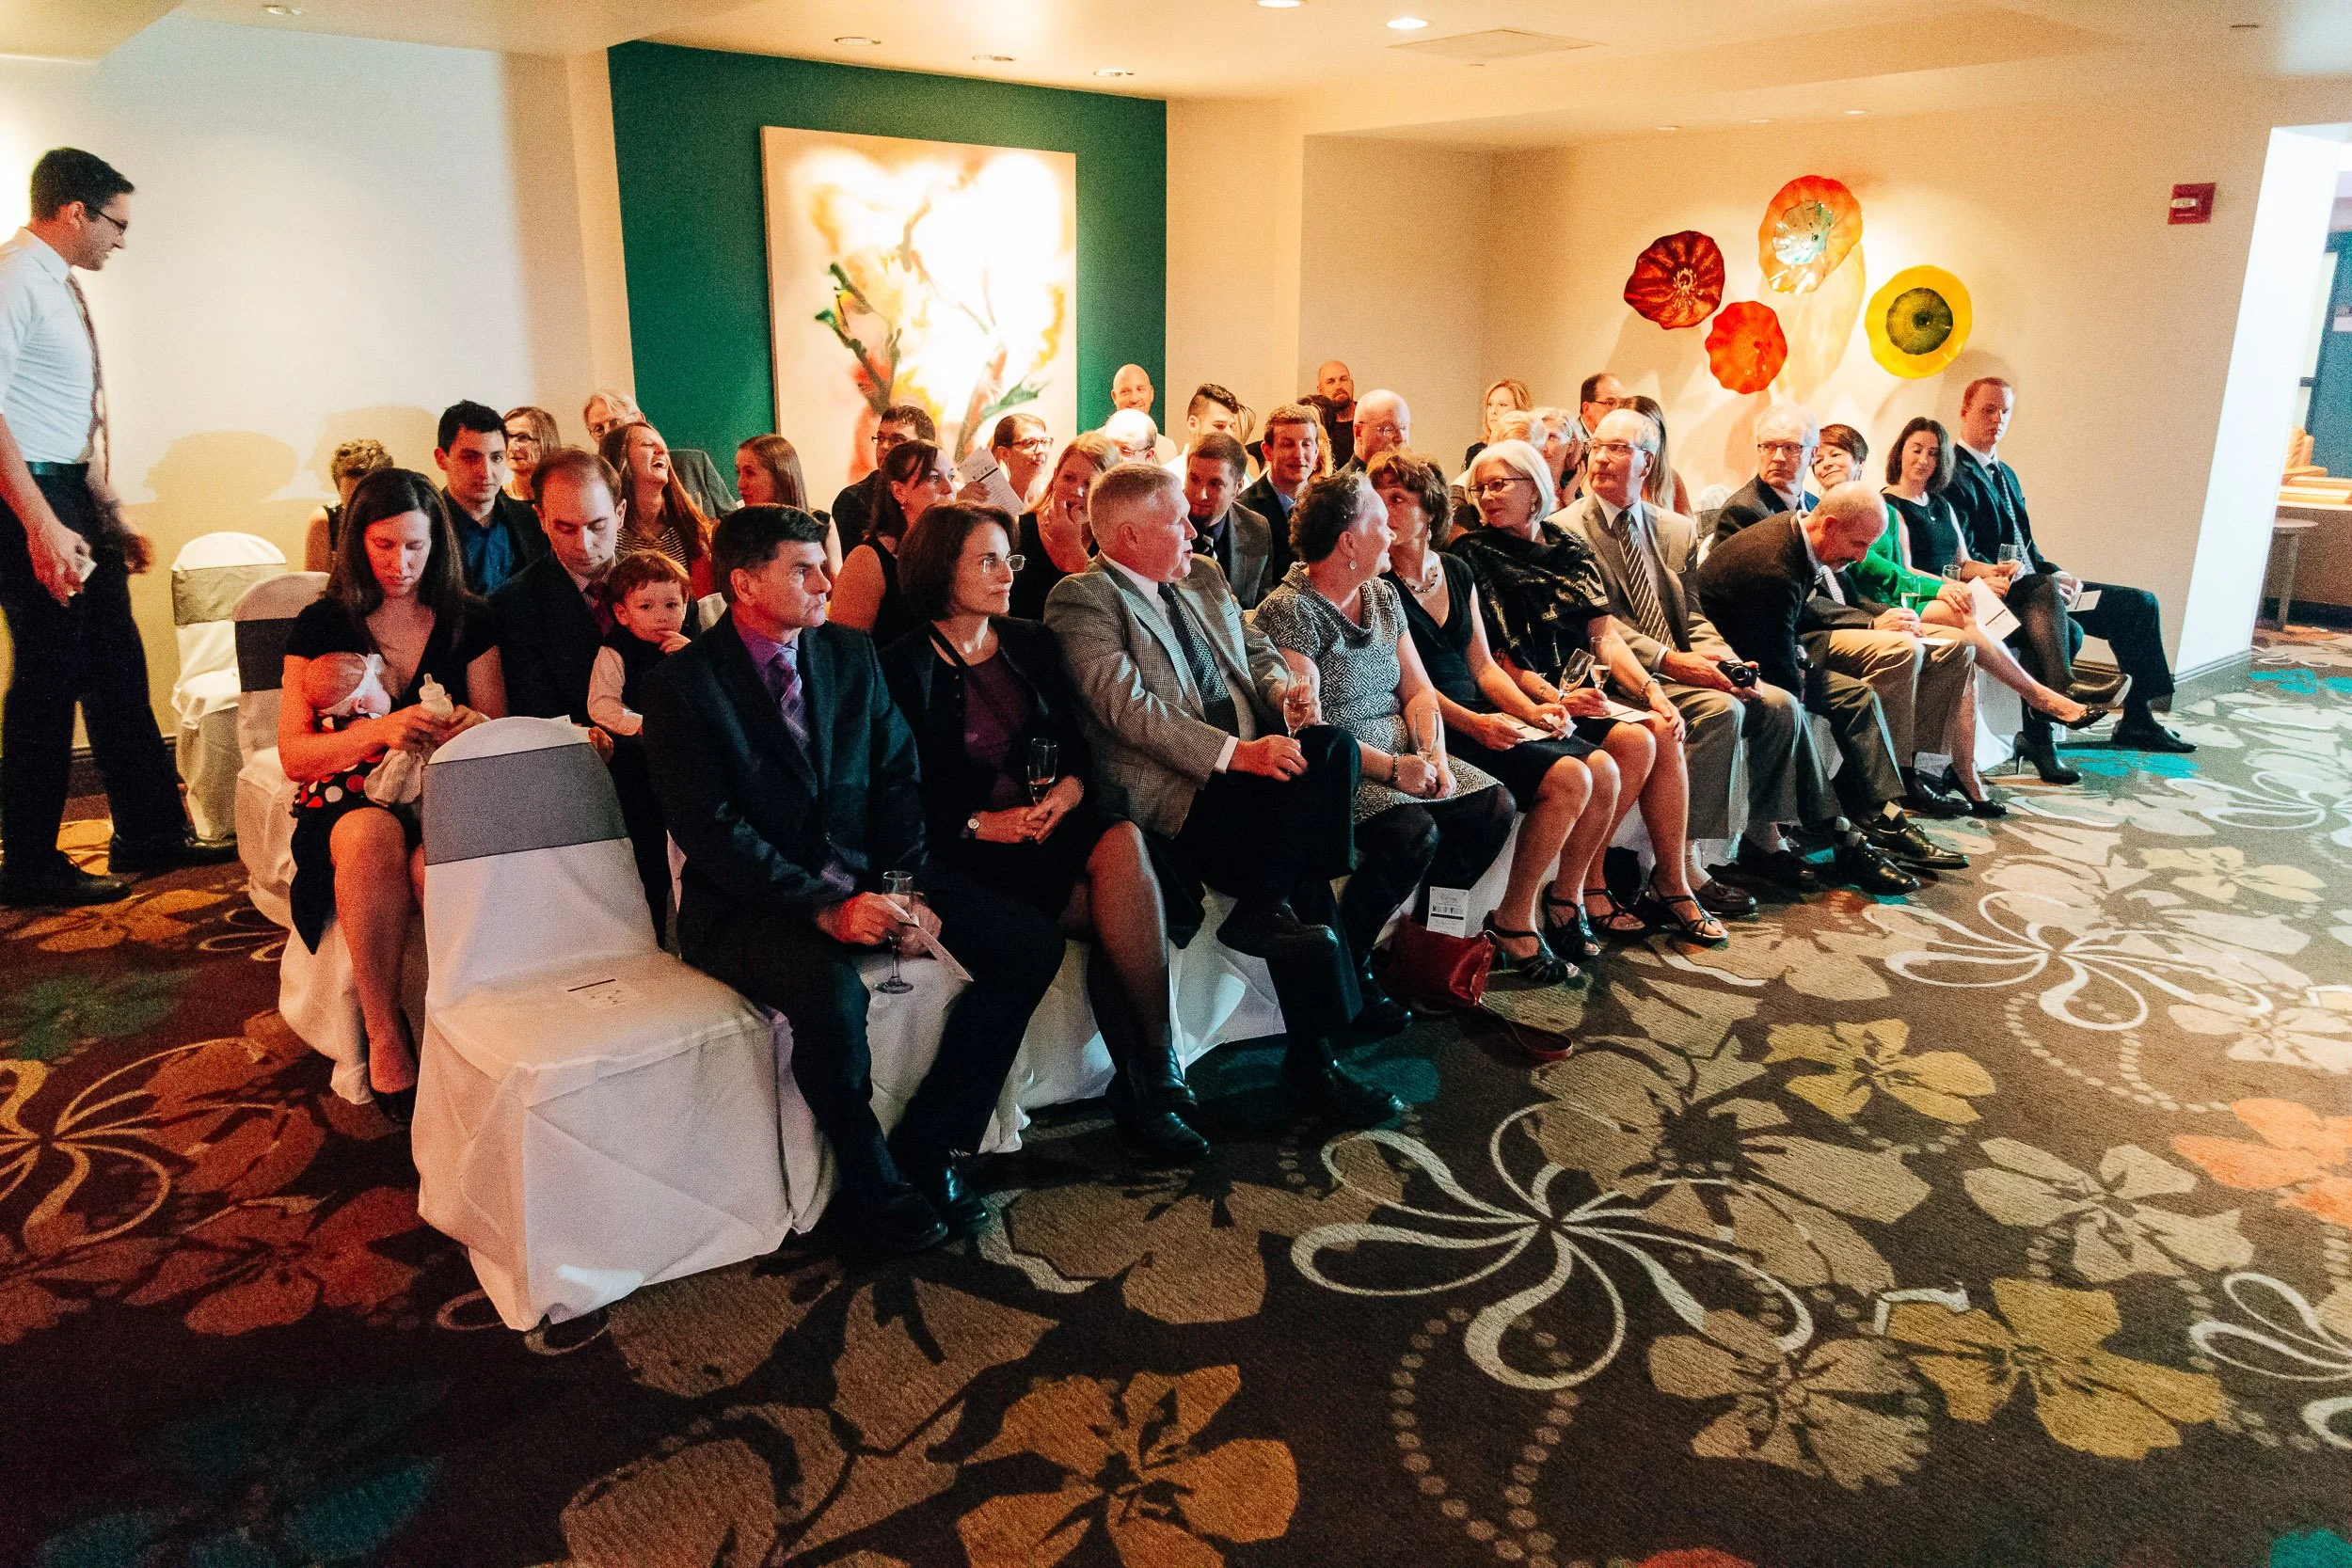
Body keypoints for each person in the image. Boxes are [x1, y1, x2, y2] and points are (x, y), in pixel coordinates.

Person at [644, 505, 1067, 1254]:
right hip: (750, 905)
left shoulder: (846, 652)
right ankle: (872, 1179)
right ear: (744, 582)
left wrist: (905, 889)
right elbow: (711, 832)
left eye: (825, 561)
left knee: (1028, 943)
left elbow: (897, 777)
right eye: (804, 569)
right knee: (832, 994)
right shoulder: (684, 685)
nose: (829, 581)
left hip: (876, 876)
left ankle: (929, 1143)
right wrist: (829, 909)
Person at [1046, 464, 1400, 1129]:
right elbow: (1129, 710)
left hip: (1250, 768)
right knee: (1297, 857)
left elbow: (1258, 646)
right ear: (1127, 534)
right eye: (1176, 520)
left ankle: (1263, 908)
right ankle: (1314, 1062)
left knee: (1332, 750)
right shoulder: (1083, 598)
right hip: (1176, 789)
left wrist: (1283, 695)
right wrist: (1239, 754)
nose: (1193, 528)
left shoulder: (1202, 576)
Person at [882, 502, 1205, 1164]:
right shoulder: (899, 666)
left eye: (1011, 557)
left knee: (1119, 843)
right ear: (943, 570)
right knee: (1121, 917)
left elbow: (1078, 749)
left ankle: (1155, 1064)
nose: (1007, 573)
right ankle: (1148, 1089)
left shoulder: (1030, 641)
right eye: (988, 560)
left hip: (1055, 828)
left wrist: (1070, 790)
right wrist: (980, 822)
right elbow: (897, 794)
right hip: (971, 852)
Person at [1558, 410, 1920, 901]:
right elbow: (1599, 628)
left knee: (1777, 703)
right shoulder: (1565, 530)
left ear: (1648, 461)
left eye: (1619, 448)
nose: (1601, 457)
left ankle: (1763, 840)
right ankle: (1685, 865)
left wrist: (1725, 662)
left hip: (1683, 661)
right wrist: (1672, 662)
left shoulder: (1674, 529)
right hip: (1618, 671)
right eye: (1597, 445)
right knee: (1723, 708)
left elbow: (1693, 614)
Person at [0, 149, 231, 907]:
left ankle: (150, 832)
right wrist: (39, 522)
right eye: (115, 223)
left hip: (68, 490)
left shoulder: (55, 283)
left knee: (114, 665)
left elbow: (63, 418)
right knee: (48, 676)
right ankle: (30, 861)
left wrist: (108, 511)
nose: (121, 240)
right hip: (28, 497)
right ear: (74, 212)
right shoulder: (11, 277)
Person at [279, 467, 501, 1119]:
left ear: (438, 543)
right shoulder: (323, 623)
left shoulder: (469, 617)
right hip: (347, 800)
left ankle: (474, 1021)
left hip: (443, 791)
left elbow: (495, 722)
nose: (400, 563)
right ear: (356, 543)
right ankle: (384, 1032)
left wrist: (469, 722)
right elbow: (295, 754)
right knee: (374, 837)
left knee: (431, 863)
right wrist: (378, 729)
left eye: (415, 546)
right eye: (383, 547)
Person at [1256, 472, 1516, 1017]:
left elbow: (1418, 690)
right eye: (1380, 520)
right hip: (1347, 767)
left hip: (1407, 749)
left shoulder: (1379, 593)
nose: (1393, 532)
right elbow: (1312, 727)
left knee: (1492, 808)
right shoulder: (1293, 608)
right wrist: (1396, 770)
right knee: (1412, 833)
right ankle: (1350, 966)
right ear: (1348, 539)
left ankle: (1423, 944)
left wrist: (1434, 756)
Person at [1451, 438, 1729, 944]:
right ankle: (1583, 889)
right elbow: (1499, 661)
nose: (1486, 498)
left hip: (1580, 687)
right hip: (1522, 694)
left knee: (1659, 729)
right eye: (1479, 488)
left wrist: (1652, 692)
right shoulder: (1472, 553)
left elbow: (1605, 636)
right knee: (1635, 741)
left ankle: (1666, 880)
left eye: (1498, 485)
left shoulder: (1568, 547)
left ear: (1534, 489)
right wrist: (1553, 699)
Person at [1375, 450, 1615, 990]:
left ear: (1429, 513)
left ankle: (1565, 899)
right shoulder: (1380, 582)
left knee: (1605, 768)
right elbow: (1411, 687)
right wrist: (1478, 727)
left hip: (1480, 710)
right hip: (1437, 725)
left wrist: (1534, 710)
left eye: (1398, 499)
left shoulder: (1456, 571)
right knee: (1572, 776)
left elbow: (1483, 667)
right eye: (1380, 498)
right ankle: (1513, 919)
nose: (1384, 509)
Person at [1694, 483, 1968, 876]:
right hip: (1732, 666)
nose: (1860, 557)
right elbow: (1775, 662)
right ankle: (1842, 832)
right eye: (1858, 544)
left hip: (1768, 652)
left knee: (1857, 697)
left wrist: (1803, 670)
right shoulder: (1774, 562)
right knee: (1792, 711)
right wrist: (1801, 682)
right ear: (1829, 525)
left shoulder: (1796, 536)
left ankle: (1883, 813)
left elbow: (1789, 625)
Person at [1946, 376, 2191, 755]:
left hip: (2039, 585)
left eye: (2005, 412)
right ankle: (2063, 692)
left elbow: (2027, 546)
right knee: (2048, 595)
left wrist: (2055, 573)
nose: (1997, 420)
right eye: (1988, 410)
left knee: (2139, 604)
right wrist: (2034, 579)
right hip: (2008, 593)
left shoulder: (2006, 473)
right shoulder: (1951, 474)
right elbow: (1964, 555)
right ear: (1964, 411)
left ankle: (2138, 718)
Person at [1877, 415, 2113, 789]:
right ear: (1900, 453)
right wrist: (1965, 587)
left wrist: (1992, 571)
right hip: (1924, 594)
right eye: (1916, 450)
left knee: (2049, 600)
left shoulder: (1940, 504)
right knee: (2053, 621)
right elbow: (1906, 569)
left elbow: (1962, 562)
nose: (1923, 460)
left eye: (1933, 454)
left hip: (1958, 590)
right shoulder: (1889, 504)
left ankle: (2048, 710)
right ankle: (2054, 698)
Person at [1793, 423, 1979, 820]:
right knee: (1907, 643)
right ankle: (1883, 789)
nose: (1823, 463)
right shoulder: (1809, 511)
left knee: (1958, 645)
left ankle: (1914, 768)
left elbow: (1855, 587)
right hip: (1820, 632)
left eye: (1834, 455)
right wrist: (1874, 621)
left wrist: (1879, 616)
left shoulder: (1869, 511)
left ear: (1860, 463)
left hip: (1860, 612)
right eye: (1818, 455)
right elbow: (1827, 596)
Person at [587, 549, 694, 932]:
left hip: (691, 769)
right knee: (648, 856)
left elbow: (717, 696)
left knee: (695, 853)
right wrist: (642, 724)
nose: (662, 615)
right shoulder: (616, 651)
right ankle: (652, 934)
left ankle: (696, 931)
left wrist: (693, 659)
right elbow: (601, 704)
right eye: (646, 606)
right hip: (640, 769)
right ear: (622, 613)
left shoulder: (694, 648)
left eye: (672, 604)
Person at [493, 448, 628, 724]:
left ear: (620, 513)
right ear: (541, 519)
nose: (584, 544)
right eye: (566, 528)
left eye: (598, 525)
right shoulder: (513, 606)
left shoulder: (665, 582)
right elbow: (535, 715)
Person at [834, 437, 950, 644]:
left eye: (951, 476)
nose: (949, 488)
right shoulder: (868, 559)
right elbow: (845, 651)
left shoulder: (956, 550)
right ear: (899, 491)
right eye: (934, 478)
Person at [435, 400, 546, 595]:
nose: (486, 472)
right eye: (470, 457)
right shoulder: (426, 526)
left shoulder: (530, 519)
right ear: (441, 459)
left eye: (496, 457)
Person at [599, 419, 714, 599]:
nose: (662, 452)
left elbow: (705, 601)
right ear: (621, 459)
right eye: (647, 445)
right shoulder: (607, 533)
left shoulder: (690, 527)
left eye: (664, 448)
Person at [1011, 434, 1113, 621]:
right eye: (1068, 478)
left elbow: (1112, 606)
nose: (1076, 491)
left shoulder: (1112, 542)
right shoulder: (1017, 530)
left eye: (1089, 483)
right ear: (1056, 475)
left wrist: (1073, 548)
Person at [1184, 433, 1274, 610]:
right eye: (1194, 479)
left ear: (1239, 487)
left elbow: (1262, 607)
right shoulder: (1161, 523)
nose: (1200, 494)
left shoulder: (1256, 529)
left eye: (1214, 484)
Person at [735, 432, 844, 576]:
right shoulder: (733, 529)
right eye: (738, 472)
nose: (740, 484)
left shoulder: (821, 523)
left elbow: (836, 590)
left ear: (779, 477)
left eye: (749, 473)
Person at [831, 402, 936, 547]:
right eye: (880, 438)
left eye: (897, 440)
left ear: (927, 450)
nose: (884, 446)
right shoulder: (854, 500)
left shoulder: (938, 495)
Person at [1709, 404, 1817, 545]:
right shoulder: (1742, 512)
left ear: (1813, 455)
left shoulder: (1816, 505)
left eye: (1790, 447)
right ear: (1759, 450)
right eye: (1768, 446)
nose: (1778, 457)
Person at [1240, 402, 1324, 579]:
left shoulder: (1328, 506)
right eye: (1287, 444)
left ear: (1317, 451)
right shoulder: (1244, 510)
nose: (1299, 454)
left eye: (1306, 444)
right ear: (1267, 451)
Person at [302, 438, 395, 574]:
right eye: (351, 503)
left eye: (368, 502)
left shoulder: (404, 518)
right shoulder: (325, 521)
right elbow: (315, 588)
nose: (360, 512)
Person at [1624, 395, 1695, 517]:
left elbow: (1689, 528)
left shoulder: (1671, 478)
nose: (1639, 439)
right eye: (1631, 431)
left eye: (1646, 432)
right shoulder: (1607, 475)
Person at [985, 412, 1054, 512]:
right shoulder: (993, 506)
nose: (1041, 450)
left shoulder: (1055, 498)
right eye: (1029, 443)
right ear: (1005, 454)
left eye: (1044, 442)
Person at [1111, 364, 1179, 463]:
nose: (1134, 399)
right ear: (1114, 397)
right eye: (1125, 392)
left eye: (1140, 389)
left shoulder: (1167, 448)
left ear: (1151, 394)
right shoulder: (1097, 446)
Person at [1177, 383, 1248, 471]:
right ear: (1193, 425)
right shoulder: (1170, 479)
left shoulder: (1237, 475)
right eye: (1219, 425)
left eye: (1231, 426)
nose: (1229, 434)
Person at [1466, 378, 1532, 469]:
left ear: (1519, 410)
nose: (1493, 411)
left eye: (1502, 405)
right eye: (1490, 404)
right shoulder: (1474, 452)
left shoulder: (1529, 452)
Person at [501, 406, 559, 505]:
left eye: (523, 437)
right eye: (506, 437)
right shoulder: (494, 500)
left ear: (546, 442)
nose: (511, 447)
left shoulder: (563, 497)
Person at [1345, 389, 1409, 473]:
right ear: (1359, 433)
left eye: (1404, 427)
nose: (1400, 438)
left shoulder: (1417, 483)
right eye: (1388, 429)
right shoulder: (1338, 485)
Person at [1315, 361, 1357, 469]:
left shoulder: (1368, 417)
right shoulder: (1316, 425)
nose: (1338, 386)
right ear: (1320, 390)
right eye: (1330, 382)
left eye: (1343, 379)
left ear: (1351, 384)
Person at [1577, 372, 1628, 441]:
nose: (1619, 411)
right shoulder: (1570, 444)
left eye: (1622, 404)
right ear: (1587, 408)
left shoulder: (1622, 440)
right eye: (1610, 403)